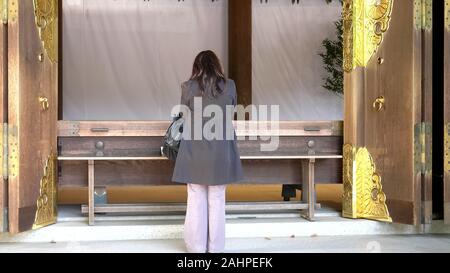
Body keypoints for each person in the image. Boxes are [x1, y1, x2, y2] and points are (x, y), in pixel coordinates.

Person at [172, 50, 244, 253]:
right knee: (217, 198)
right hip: (221, 150)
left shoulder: (187, 87)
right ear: (217, 65)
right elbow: (231, 108)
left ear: (196, 67)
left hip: (194, 149)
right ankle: (215, 248)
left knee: (195, 197)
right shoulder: (229, 86)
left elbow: (184, 114)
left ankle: (196, 248)